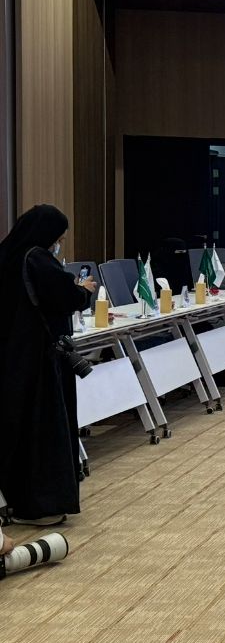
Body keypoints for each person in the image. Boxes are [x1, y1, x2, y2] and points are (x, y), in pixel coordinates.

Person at [0, 205, 97, 526]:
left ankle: (15, 502)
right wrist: (83, 291)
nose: (59, 244)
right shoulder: (37, 259)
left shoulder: (8, 256)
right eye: (59, 238)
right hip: (39, 361)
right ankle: (41, 507)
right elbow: (65, 297)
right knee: (43, 430)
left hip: (13, 359)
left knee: (18, 430)